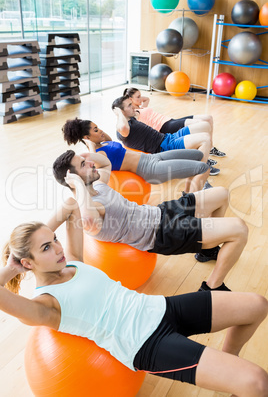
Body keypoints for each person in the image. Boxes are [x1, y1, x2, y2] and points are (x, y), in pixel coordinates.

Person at [1, 199, 268, 396]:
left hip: (161, 307)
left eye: (55, 239)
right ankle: (237, 380)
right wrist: (13, 264)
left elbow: (70, 206)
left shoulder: (71, 262)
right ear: (26, 263)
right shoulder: (45, 305)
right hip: (147, 344)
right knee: (257, 381)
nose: (58, 248)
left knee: (257, 305)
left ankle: (230, 363)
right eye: (47, 248)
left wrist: (36, 241)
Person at [52, 149, 249, 292]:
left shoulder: (97, 186)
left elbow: (106, 164)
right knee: (239, 229)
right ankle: (212, 287)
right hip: (163, 233)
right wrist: (77, 184)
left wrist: (86, 157)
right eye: (83, 165)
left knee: (222, 194)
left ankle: (208, 250)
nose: (90, 164)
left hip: (161, 212)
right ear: (73, 179)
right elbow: (88, 217)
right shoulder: (89, 208)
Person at [62, 117, 210, 192]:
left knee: (197, 155)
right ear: (87, 138)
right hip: (151, 170)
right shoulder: (97, 155)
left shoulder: (104, 144)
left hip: (153, 157)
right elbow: (96, 163)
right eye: (95, 130)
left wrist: (95, 133)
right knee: (203, 167)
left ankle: (189, 192)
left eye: (98, 127)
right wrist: (89, 145)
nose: (100, 131)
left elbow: (108, 138)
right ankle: (193, 202)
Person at [111, 95, 220, 177]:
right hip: (165, 147)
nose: (133, 107)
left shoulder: (132, 118)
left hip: (168, 137)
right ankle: (202, 174)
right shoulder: (122, 129)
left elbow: (143, 105)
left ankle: (203, 156)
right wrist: (119, 113)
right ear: (121, 111)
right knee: (205, 139)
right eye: (129, 106)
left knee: (205, 125)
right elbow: (123, 128)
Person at [123, 87, 226, 159]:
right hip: (165, 127)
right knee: (200, 123)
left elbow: (147, 98)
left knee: (208, 118)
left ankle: (210, 148)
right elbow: (127, 122)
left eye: (140, 96)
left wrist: (137, 99)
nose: (141, 99)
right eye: (138, 97)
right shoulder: (135, 113)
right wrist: (126, 107)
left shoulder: (141, 108)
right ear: (130, 99)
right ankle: (202, 152)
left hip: (170, 120)